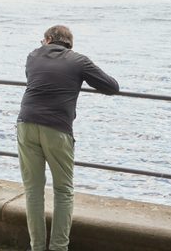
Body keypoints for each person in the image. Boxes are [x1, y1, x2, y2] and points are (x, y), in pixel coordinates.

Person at [17, 25, 119, 251]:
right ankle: (58, 247)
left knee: (33, 189)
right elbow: (112, 87)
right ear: (69, 43)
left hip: (26, 122)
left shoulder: (32, 56)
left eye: (43, 40)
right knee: (63, 190)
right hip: (57, 128)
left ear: (49, 39)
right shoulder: (78, 61)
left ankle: (36, 247)